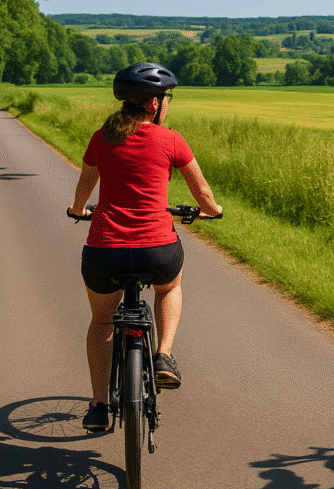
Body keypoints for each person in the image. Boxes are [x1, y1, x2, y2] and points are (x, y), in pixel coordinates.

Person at [68, 62, 222, 431]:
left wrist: (77, 210)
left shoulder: (101, 137)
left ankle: (99, 405)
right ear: (154, 104)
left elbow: (84, 188)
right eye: (165, 97)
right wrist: (211, 211)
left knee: (103, 319)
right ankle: (164, 355)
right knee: (170, 286)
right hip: (158, 251)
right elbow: (202, 192)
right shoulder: (170, 139)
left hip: (104, 251)